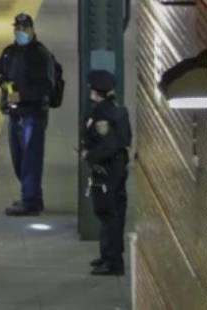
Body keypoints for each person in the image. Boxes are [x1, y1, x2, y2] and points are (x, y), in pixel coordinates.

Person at [0, 12, 59, 216]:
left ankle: (30, 201)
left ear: (32, 30)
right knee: (18, 157)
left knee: (31, 157)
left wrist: (22, 96)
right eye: (17, 28)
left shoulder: (41, 54)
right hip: (14, 114)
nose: (20, 32)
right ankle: (30, 195)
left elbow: (48, 86)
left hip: (33, 113)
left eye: (24, 28)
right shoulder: (9, 52)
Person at [82, 69, 131, 276]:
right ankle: (108, 255)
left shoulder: (102, 114)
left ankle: (113, 262)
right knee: (112, 214)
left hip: (107, 172)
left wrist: (89, 155)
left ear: (95, 91)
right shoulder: (116, 109)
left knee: (109, 215)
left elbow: (110, 145)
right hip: (116, 170)